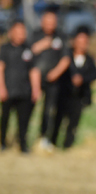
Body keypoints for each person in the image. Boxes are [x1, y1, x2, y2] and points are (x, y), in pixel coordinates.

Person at [0, 20, 41, 153]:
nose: (20, 34)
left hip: (24, 91)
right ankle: (3, 142)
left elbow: (33, 71)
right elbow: (0, 68)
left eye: (23, 31)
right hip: (8, 90)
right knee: (5, 118)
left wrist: (36, 89)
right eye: (18, 31)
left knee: (24, 120)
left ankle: (22, 144)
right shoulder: (4, 49)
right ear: (11, 32)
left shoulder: (28, 49)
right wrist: (1, 88)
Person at [30, 10, 69, 152]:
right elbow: (27, 53)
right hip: (33, 79)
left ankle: (44, 138)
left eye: (53, 22)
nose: (50, 25)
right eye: (47, 22)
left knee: (49, 110)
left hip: (53, 80)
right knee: (28, 108)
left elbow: (66, 58)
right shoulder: (35, 35)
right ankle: (23, 138)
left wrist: (56, 72)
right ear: (42, 22)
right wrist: (41, 45)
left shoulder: (61, 37)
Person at [53, 30, 96, 149]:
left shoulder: (89, 59)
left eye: (85, 42)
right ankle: (53, 142)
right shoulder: (66, 56)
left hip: (79, 96)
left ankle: (68, 145)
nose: (82, 44)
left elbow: (95, 74)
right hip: (64, 94)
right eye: (80, 41)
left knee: (74, 122)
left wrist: (82, 79)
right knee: (58, 119)